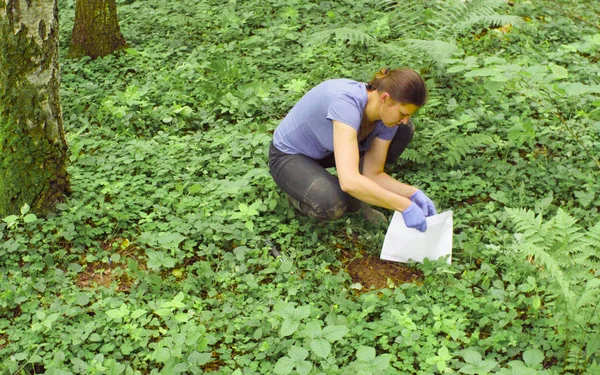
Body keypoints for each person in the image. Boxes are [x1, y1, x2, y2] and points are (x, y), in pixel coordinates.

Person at [268, 68, 436, 232]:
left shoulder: (385, 117)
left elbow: (373, 174)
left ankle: (358, 200)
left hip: (328, 148)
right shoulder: (346, 104)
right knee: (331, 203)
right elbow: (349, 181)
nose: (405, 120)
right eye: (402, 113)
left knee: (404, 131)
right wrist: (403, 205)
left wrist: (412, 193)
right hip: (290, 156)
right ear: (385, 98)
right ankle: (298, 195)